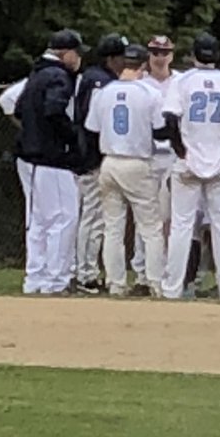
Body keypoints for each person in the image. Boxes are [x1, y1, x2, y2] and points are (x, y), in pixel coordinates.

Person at [162, 33, 220, 300]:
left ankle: (172, 289)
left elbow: (169, 119)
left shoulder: (182, 81)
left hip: (189, 161)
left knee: (181, 226)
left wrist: (182, 153)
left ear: (193, 55)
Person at [85, 43, 167, 297]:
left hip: (109, 160)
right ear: (143, 65)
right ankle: (154, 282)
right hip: (137, 162)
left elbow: (92, 128)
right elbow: (161, 129)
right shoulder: (149, 93)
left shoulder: (104, 92)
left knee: (113, 227)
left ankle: (115, 283)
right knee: (151, 228)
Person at [13, 29, 88, 295]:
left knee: (39, 221)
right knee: (64, 218)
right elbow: (55, 110)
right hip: (52, 159)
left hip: (31, 157)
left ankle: (35, 279)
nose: (79, 58)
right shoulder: (59, 76)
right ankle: (55, 280)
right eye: (76, 52)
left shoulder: (37, 74)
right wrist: (71, 136)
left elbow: (19, 109)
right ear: (65, 53)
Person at [74, 33, 127, 294]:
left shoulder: (98, 77)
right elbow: (91, 124)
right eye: (121, 57)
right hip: (94, 157)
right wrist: (95, 156)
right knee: (93, 217)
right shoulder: (100, 81)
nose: (124, 63)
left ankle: (87, 270)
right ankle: (85, 274)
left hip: (95, 156)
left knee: (96, 217)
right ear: (112, 58)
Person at [130, 34, 178, 294]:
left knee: (170, 218)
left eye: (164, 52)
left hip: (172, 155)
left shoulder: (180, 81)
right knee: (145, 217)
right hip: (146, 155)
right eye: (155, 52)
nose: (160, 57)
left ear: (172, 55)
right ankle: (142, 274)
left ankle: (167, 272)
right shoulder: (140, 82)